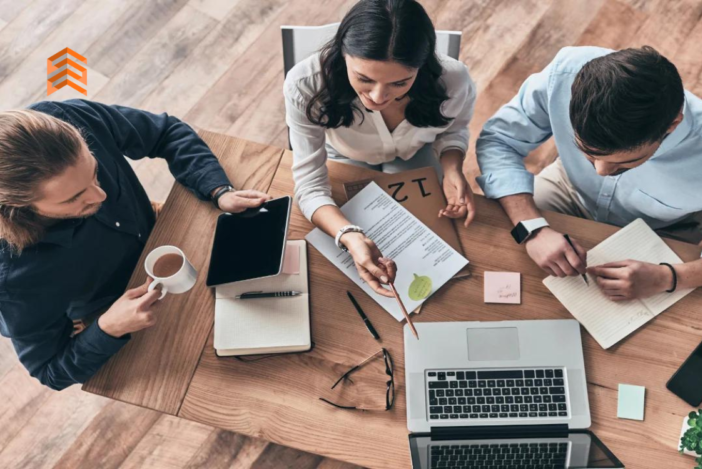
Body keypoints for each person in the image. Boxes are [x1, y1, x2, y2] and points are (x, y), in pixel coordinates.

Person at [0, 99, 271, 390]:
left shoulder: (65, 117)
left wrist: (218, 189)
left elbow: (165, 132)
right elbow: (50, 371)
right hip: (118, 308)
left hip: (165, 234)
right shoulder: (14, 280)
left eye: (94, 171)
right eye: (73, 198)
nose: (100, 196)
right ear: (16, 207)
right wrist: (107, 328)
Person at [477, 46, 702, 301]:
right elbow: (499, 139)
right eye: (587, 153)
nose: (600, 171)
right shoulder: (564, 74)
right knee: (490, 256)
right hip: (567, 187)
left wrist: (669, 276)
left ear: (672, 125)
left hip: (654, 229)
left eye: (624, 163)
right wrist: (532, 228)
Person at [284, 0, 476, 296]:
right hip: (345, 156)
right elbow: (309, 186)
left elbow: (454, 130)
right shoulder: (305, 84)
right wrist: (348, 235)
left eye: (400, 82)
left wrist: (453, 167)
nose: (378, 96)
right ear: (343, 53)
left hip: (418, 154)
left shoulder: (453, 79)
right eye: (364, 78)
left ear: (421, 66)